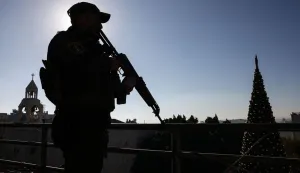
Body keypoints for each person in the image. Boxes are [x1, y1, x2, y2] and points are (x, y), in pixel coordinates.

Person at [40, 2, 136, 172]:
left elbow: (105, 87)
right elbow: (75, 69)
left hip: (95, 126)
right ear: (82, 19)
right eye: (97, 19)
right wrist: (108, 64)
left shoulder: (96, 50)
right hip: (76, 124)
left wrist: (125, 86)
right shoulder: (64, 41)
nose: (100, 25)